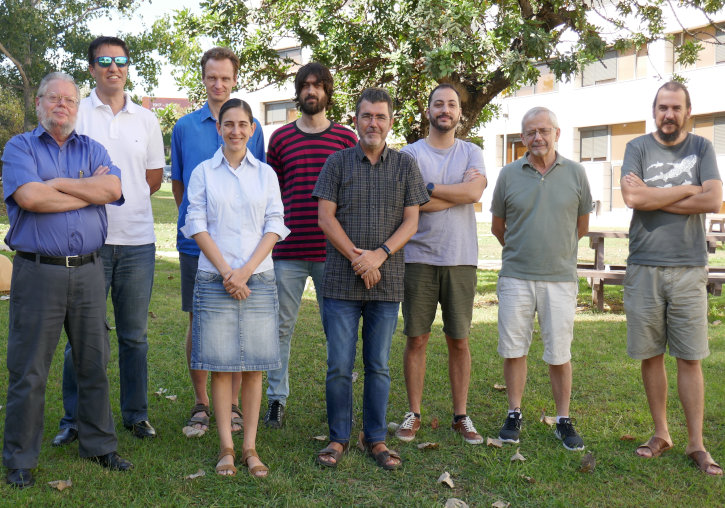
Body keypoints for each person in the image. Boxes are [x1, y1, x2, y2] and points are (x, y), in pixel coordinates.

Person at [2, 72, 132, 489]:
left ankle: (98, 445)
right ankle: (20, 458)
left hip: (91, 272)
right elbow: (30, 198)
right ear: (38, 104)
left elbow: (112, 188)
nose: (62, 104)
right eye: (53, 98)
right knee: (30, 370)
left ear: (77, 107)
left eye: (70, 100)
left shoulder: (93, 147)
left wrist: (56, 184)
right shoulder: (20, 146)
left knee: (94, 362)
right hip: (38, 271)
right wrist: (83, 190)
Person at [53, 36, 165, 447]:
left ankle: (136, 415)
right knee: (83, 335)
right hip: (87, 242)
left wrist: (122, 199)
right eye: (104, 61)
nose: (113, 67)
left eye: (120, 61)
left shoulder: (146, 119)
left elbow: (152, 179)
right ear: (92, 68)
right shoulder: (78, 114)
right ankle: (74, 418)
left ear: (128, 67)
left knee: (134, 334)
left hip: (138, 242)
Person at [312, 87, 429, 470]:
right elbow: (325, 218)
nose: (373, 123)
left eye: (380, 116)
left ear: (390, 121)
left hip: (388, 280)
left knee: (378, 364)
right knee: (339, 365)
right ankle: (338, 437)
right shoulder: (337, 162)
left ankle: (375, 437)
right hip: (340, 284)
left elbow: (412, 220)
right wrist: (357, 258)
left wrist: (379, 255)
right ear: (356, 120)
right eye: (366, 116)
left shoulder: (405, 166)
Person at [181, 98, 289, 477]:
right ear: (218, 128)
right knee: (222, 368)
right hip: (215, 280)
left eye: (243, 124)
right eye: (229, 124)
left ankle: (250, 448)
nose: (236, 131)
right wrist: (229, 272)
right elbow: (196, 223)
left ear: (253, 130)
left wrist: (245, 272)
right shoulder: (203, 173)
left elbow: (275, 224)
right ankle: (227, 447)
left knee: (255, 367)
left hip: (258, 280)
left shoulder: (266, 175)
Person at [620, 81, 723, 476]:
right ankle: (661, 433)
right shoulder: (637, 148)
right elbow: (634, 199)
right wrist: (686, 188)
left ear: (687, 112)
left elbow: (713, 199)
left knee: (690, 357)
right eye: (662, 107)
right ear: (654, 111)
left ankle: (697, 444)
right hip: (644, 265)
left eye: (676, 108)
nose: (668, 114)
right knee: (650, 354)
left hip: (687, 266)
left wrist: (656, 194)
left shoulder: (701, 148)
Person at [171, 47, 265, 435]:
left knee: (240, 324)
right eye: (212, 77)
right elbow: (179, 185)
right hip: (197, 247)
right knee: (201, 322)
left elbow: (256, 180)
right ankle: (201, 402)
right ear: (204, 78)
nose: (219, 83)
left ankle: (235, 407)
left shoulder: (250, 125)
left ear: (234, 79)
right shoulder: (184, 127)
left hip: (243, 251)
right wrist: (202, 231)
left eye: (226, 77)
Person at [490, 106, 591, 451]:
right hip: (516, 277)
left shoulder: (576, 174)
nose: (538, 137)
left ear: (557, 134)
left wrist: (554, 253)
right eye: (531, 132)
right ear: (523, 138)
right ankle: (513, 413)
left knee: (559, 352)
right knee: (514, 348)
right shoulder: (508, 174)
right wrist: (524, 252)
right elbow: (498, 226)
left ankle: (563, 419)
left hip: (560, 279)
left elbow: (581, 226)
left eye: (544, 130)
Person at [264, 62, 357, 428]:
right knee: (280, 328)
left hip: (332, 253)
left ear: (327, 92)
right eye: (305, 85)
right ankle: (276, 399)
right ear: (298, 92)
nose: (311, 91)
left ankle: (341, 399)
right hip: (287, 251)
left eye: (318, 85)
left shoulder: (346, 139)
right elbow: (272, 194)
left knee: (337, 329)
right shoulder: (281, 138)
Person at [394, 84, 487, 445]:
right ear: (428, 111)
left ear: (459, 112)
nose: (445, 109)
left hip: (461, 258)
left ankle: (461, 416)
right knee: (416, 339)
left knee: (459, 340)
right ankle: (413, 413)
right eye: (438, 104)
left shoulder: (472, 152)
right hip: (417, 258)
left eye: (452, 104)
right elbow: (410, 206)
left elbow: (474, 194)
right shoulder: (409, 154)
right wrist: (454, 192)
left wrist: (429, 189)